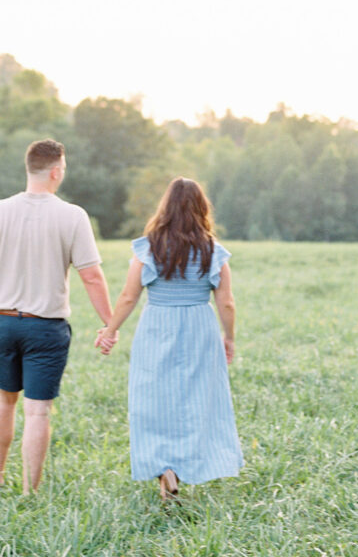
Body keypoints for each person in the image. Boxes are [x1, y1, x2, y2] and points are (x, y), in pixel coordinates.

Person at [0, 138, 117, 493]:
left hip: (1, 322)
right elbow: (91, 276)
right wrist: (110, 323)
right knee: (37, 411)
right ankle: (31, 491)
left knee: (3, 399)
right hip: (46, 328)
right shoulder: (73, 216)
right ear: (56, 171)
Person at [96, 176, 243, 500]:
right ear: (202, 209)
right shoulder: (213, 251)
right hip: (199, 327)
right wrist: (229, 337)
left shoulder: (149, 247)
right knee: (195, 402)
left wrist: (111, 329)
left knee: (153, 401)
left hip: (157, 326)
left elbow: (128, 296)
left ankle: (165, 467)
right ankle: (181, 465)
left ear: (166, 207)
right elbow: (227, 302)